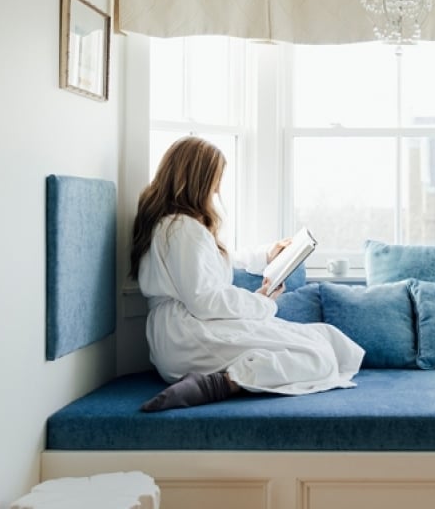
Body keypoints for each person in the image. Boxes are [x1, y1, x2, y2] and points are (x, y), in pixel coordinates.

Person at [129, 136, 365, 412]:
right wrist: (262, 301)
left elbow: (206, 270)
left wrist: (266, 255)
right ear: (199, 180)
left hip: (189, 330)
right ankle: (221, 384)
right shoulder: (182, 229)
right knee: (318, 356)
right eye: (216, 180)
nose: (217, 190)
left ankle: (227, 378)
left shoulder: (178, 226)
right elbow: (204, 300)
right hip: (189, 336)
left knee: (329, 339)